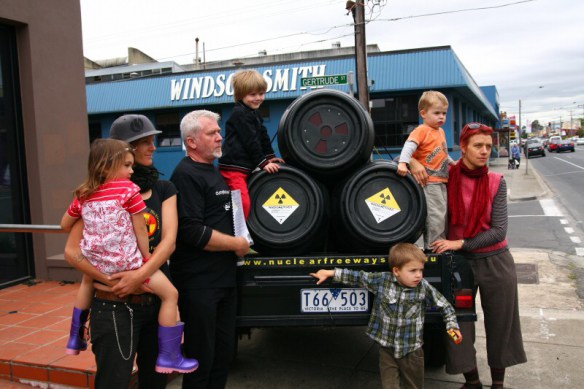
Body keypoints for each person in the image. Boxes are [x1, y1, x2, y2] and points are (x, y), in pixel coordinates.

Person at [63, 114, 186, 388]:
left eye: (153, 140)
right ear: (123, 150)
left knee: (155, 383)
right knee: (113, 381)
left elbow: (169, 242)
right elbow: (72, 252)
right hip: (113, 304)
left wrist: (138, 276)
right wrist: (108, 279)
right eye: (144, 142)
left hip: (153, 301)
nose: (153, 147)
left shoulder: (164, 188)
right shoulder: (97, 194)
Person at [431, 122, 527, 389]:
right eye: (478, 146)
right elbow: (422, 171)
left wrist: (459, 242)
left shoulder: (497, 181)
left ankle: (498, 384)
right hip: (460, 265)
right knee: (458, 324)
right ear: (463, 147)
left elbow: (498, 231)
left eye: (488, 146)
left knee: (501, 324)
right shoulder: (447, 177)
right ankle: (471, 381)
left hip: (496, 261)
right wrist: (413, 165)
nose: (485, 151)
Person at [170, 110, 250, 389]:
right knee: (200, 359)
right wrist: (237, 244)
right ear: (192, 142)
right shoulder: (186, 174)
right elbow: (191, 231)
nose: (220, 137)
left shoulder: (212, 171)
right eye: (212, 133)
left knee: (223, 356)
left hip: (224, 280)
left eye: (219, 131)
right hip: (200, 284)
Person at [310, 243, 462, 389]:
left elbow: (445, 305)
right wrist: (330, 272)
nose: (418, 275)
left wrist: (452, 326)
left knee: (414, 386)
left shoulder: (423, 288)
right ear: (396, 271)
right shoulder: (383, 281)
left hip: (411, 352)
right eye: (413, 271)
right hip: (387, 351)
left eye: (421, 270)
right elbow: (358, 277)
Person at [218, 69, 284, 219]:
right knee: (243, 203)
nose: (258, 98)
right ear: (240, 95)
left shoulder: (254, 113)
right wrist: (263, 163)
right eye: (253, 94)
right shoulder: (239, 114)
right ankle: (238, 237)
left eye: (261, 93)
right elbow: (250, 141)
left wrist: (270, 157)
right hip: (233, 168)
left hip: (246, 167)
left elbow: (263, 136)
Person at [396, 90, 455, 250]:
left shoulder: (441, 132)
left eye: (444, 113)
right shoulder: (421, 130)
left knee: (442, 214)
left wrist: (452, 163)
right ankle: (433, 247)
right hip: (429, 182)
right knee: (435, 216)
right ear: (423, 113)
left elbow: (443, 154)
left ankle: (438, 243)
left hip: (441, 181)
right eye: (437, 113)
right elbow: (409, 146)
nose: (441, 117)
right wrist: (403, 162)